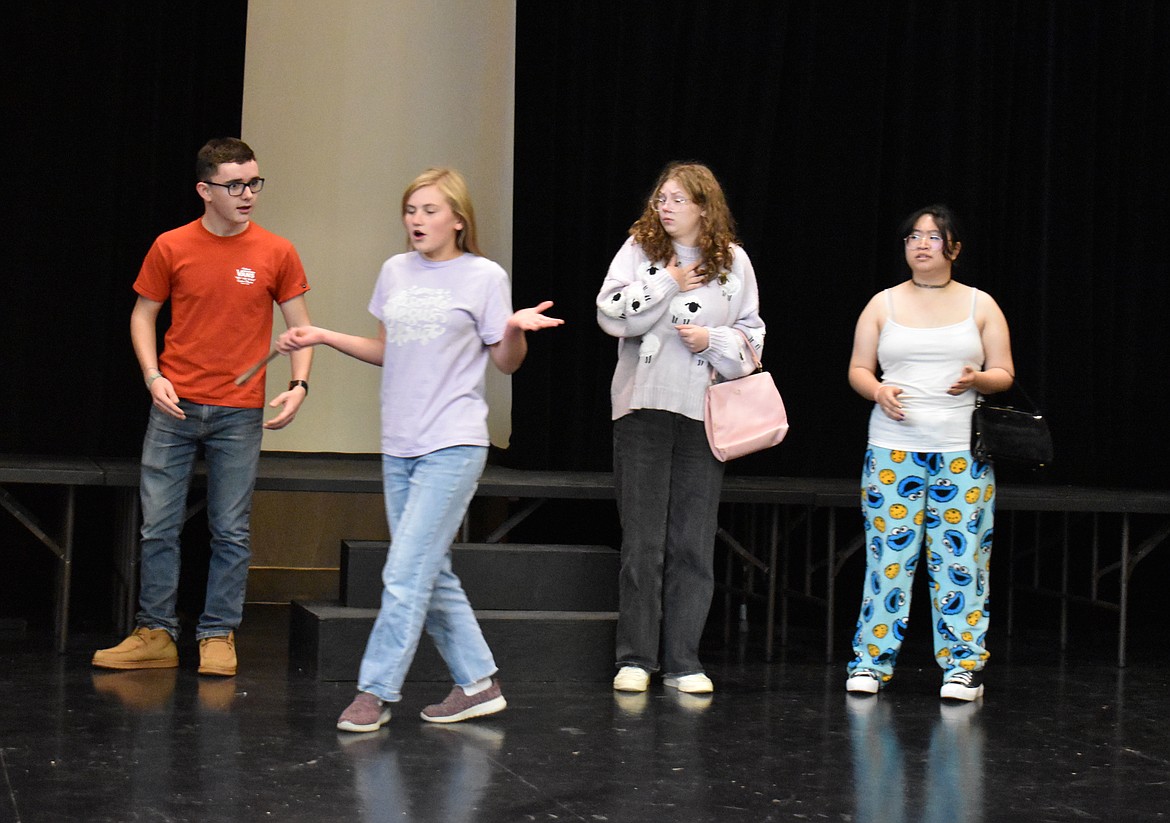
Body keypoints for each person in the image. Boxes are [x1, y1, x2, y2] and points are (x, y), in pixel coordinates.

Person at [276, 167, 562, 732]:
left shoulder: (483, 276)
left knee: (405, 573)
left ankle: (374, 692)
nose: (417, 220)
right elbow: (389, 350)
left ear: (458, 219)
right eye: (411, 210)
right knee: (430, 570)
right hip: (399, 445)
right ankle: (478, 683)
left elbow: (505, 362)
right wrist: (324, 336)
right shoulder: (394, 272)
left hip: (452, 442)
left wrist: (515, 329)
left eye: (430, 210)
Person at [92, 137, 314, 677]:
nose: (247, 194)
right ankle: (156, 632)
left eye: (254, 182)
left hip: (239, 410)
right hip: (175, 406)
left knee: (230, 528)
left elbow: (301, 328)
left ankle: (217, 633)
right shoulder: (172, 246)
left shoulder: (275, 251)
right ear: (204, 190)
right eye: (235, 185)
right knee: (158, 526)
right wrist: (152, 376)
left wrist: (299, 384)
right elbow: (143, 315)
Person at [596, 162, 765, 696]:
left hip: (701, 414)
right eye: (660, 198)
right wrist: (667, 280)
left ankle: (684, 660)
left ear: (702, 207)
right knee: (642, 542)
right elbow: (611, 315)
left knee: (692, 541)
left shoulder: (734, 262)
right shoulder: (638, 252)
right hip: (643, 408)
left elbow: (752, 338)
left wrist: (711, 341)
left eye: (676, 199)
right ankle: (636, 658)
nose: (665, 207)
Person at [844, 204, 1014, 702]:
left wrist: (978, 379)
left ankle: (963, 667)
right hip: (893, 451)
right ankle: (870, 663)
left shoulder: (981, 305)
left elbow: (1004, 373)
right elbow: (858, 368)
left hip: (961, 452)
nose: (921, 244)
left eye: (934, 237)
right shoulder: (883, 304)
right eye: (913, 237)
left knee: (959, 559)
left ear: (954, 249)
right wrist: (878, 391)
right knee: (889, 559)